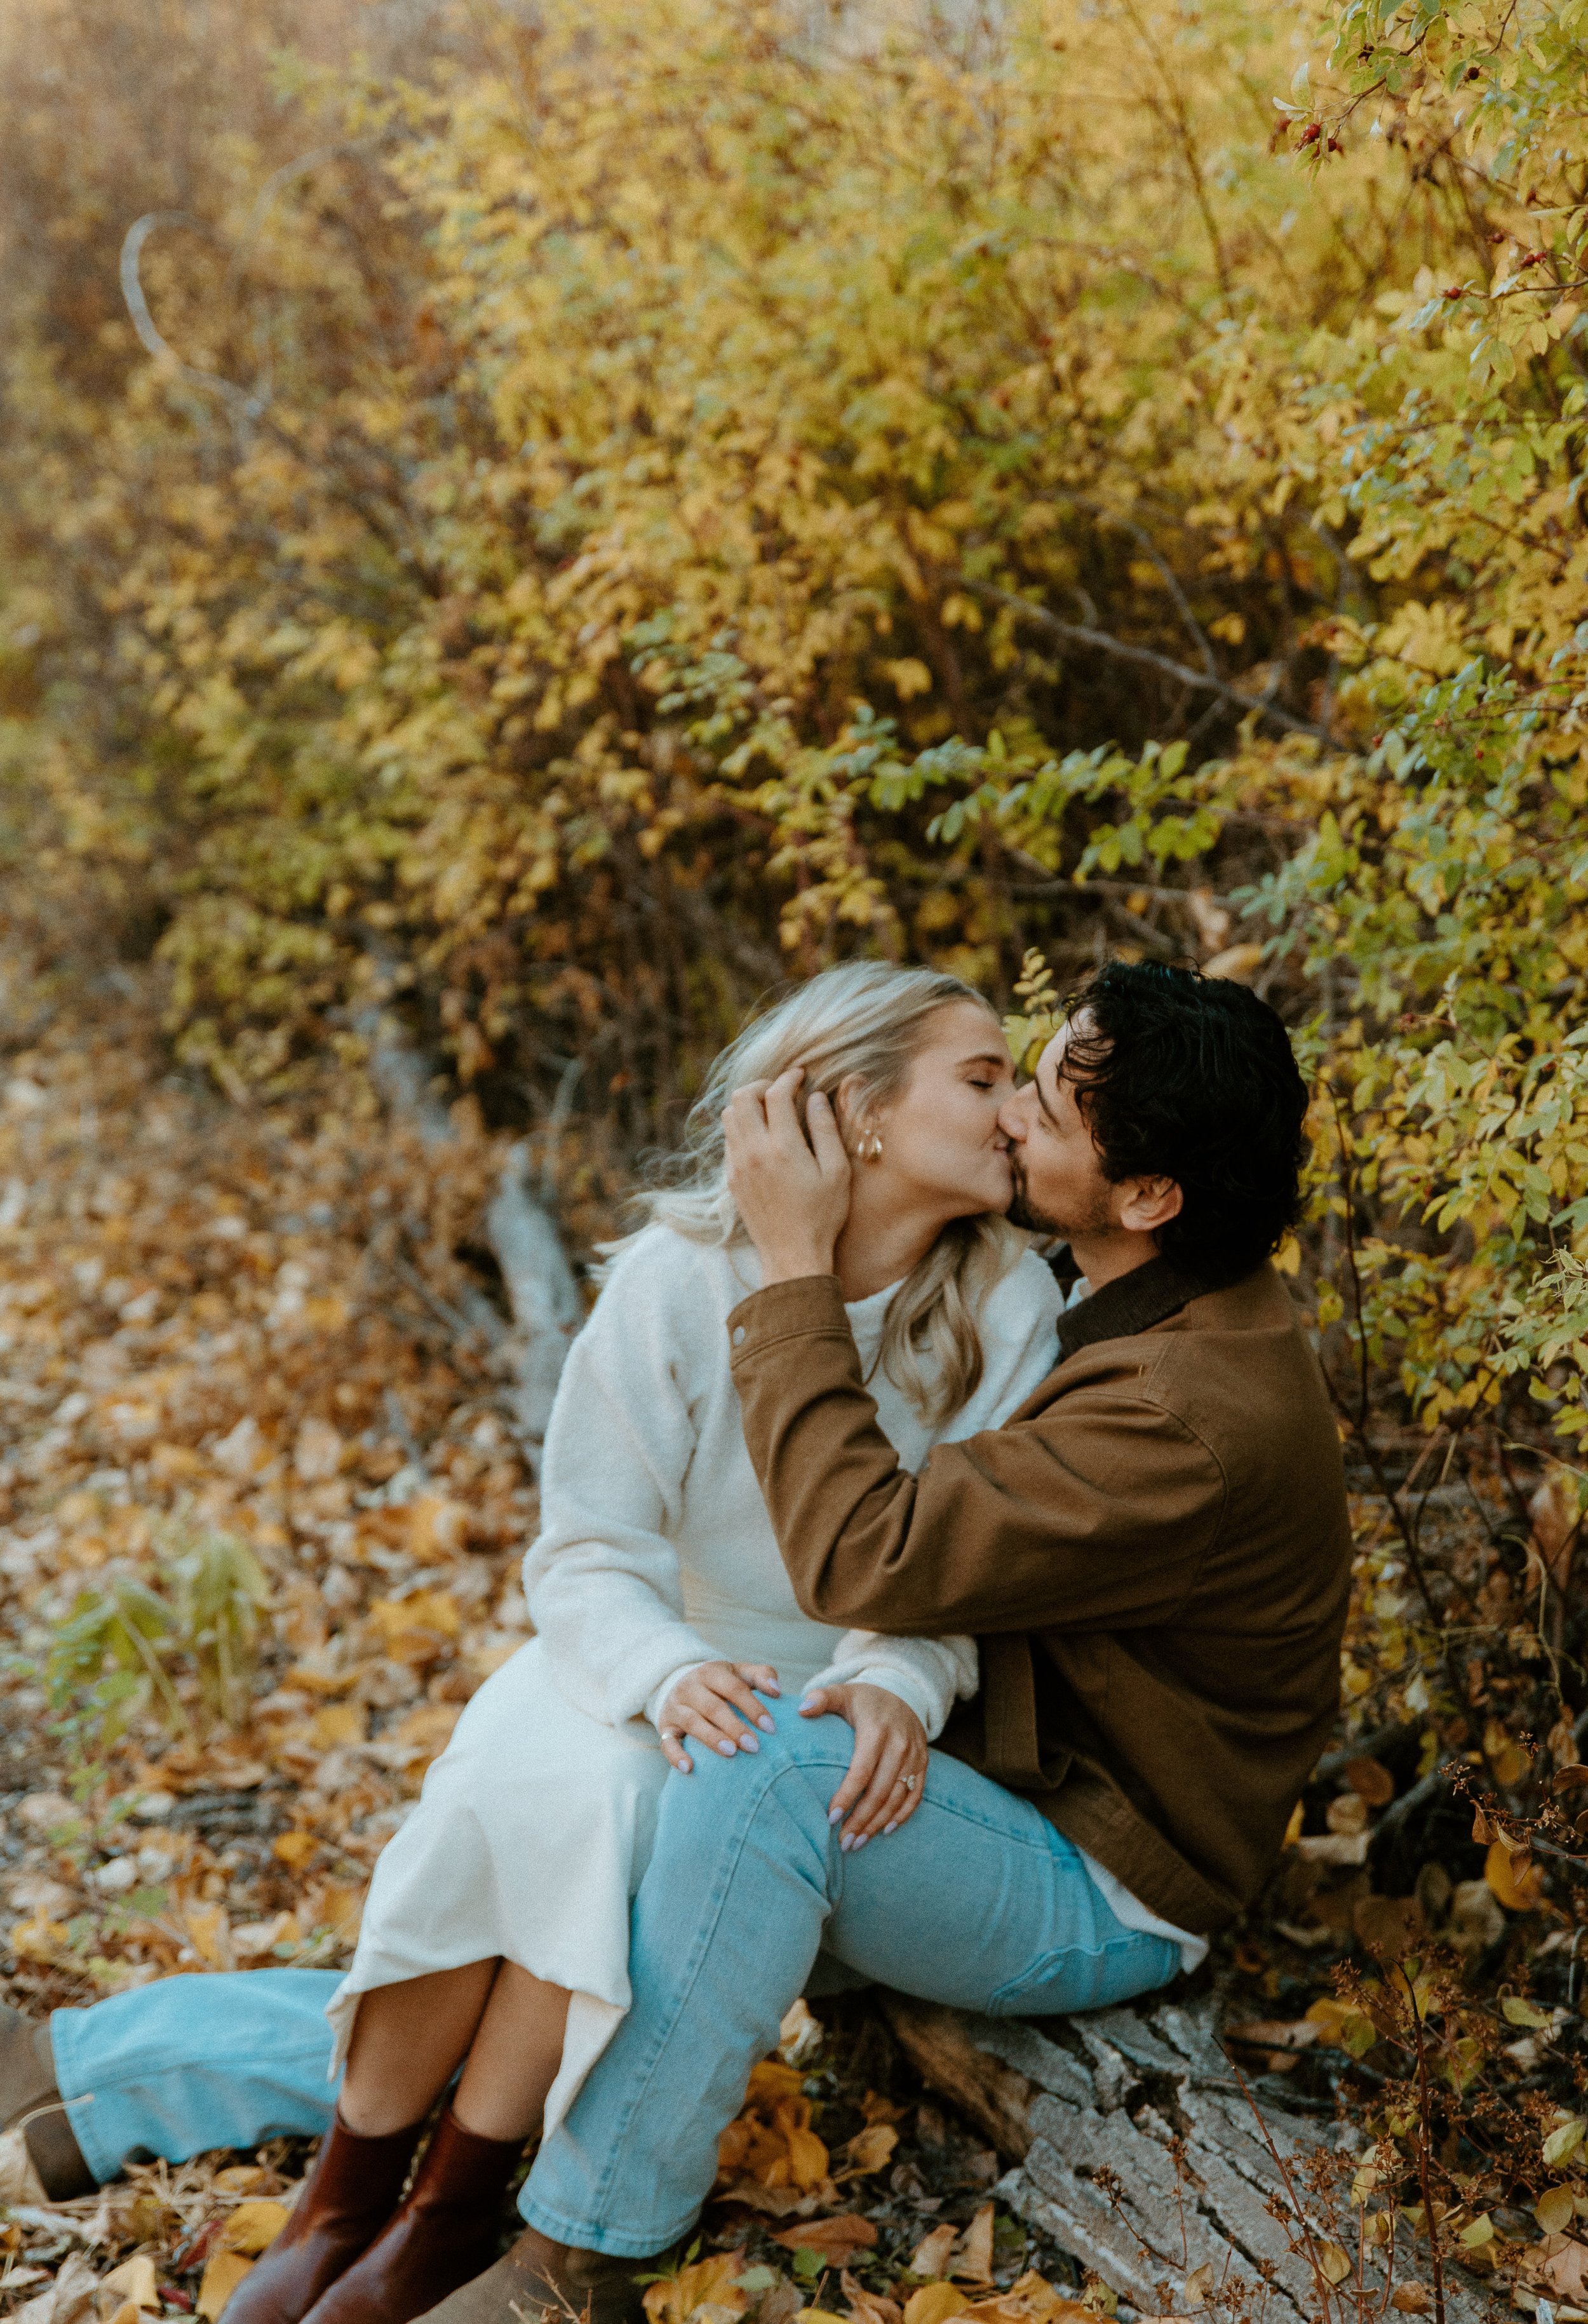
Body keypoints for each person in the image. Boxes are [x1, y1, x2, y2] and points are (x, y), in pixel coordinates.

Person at [1, 964, 1072, 2323]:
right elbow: (584, 1556)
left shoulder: (1004, 1309)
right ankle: (351, 2199)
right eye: (979, 1078)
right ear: (851, 1108)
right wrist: (667, 1672)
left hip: (797, 1735)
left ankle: (417, 2201)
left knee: (614, 1835)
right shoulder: (683, 1277)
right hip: (633, 1654)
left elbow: (955, 1584)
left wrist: (891, 1686)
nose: (1014, 1111)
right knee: (537, 1786)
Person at [393, 960, 1355, 2324]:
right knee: (566, 1892)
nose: (1014, 1116)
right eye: (1012, 1078)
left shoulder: (1186, 1414)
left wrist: (791, 1264)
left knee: (761, 1770)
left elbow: (870, 1556)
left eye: (1048, 1108)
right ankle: (124, 2080)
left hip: (1101, 1883)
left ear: (1145, 1197)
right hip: (989, 1793)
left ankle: (580, 2260)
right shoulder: (1136, 1307)